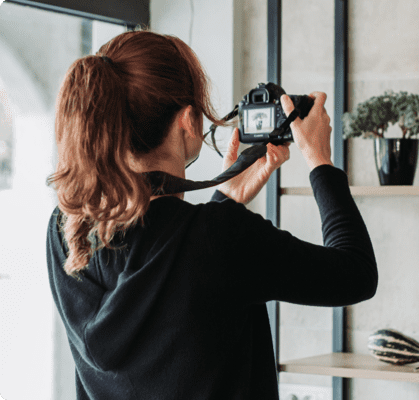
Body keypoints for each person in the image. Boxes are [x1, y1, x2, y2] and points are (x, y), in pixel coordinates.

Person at [46, 30, 377, 400]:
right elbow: (356, 273)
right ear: (188, 121)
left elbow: (169, 280)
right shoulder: (219, 237)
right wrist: (319, 159)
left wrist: (225, 199)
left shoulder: (66, 229)